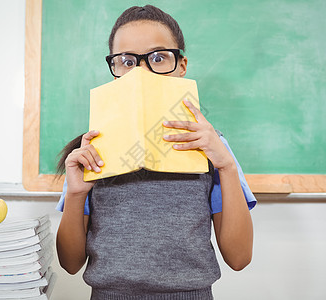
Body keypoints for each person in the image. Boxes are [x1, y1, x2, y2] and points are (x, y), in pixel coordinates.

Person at [55, 5, 256, 300]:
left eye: (158, 58)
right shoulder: (92, 150)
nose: (142, 72)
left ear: (182, 66)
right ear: (114, 72)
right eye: (127, 61)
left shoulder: (212, 148)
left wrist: (226, 167)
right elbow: (70, 263)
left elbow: (239, 258)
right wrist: (75, 194)